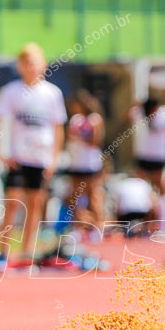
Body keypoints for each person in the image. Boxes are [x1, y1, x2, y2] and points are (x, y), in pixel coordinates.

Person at [0, 43, 67, 271]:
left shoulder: (52, 93)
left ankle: (27, 251)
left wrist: (54, 158)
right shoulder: (12, 91)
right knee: (12, 201)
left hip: (40, 157)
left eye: (35, 61)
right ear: (20, 66)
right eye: (27, 62)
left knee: (35, 204)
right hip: (17, 156)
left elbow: (58, 128)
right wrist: (0, 152)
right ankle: (3, 252)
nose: (32, 67)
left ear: (44, 64)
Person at [128, 96, 165, 227]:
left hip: (160, 156)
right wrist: (136, 103)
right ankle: (143, 219)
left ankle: (162, 221)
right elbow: (127, 116)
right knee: (140, 187)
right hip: (143, 155)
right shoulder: (141, 112)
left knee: (160, 187)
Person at [59, 90, 107, 236]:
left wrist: (80, 136)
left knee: (93, 194)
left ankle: (98, 226)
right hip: (76, 162)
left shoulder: (94, 119)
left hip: (90, 163)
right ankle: (79, 225)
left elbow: (96, 141)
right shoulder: (75, 119)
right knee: (74, 196)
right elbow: (69, 137)